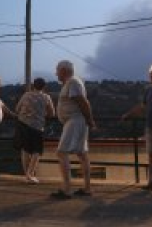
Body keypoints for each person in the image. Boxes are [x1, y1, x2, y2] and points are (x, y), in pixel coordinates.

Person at [51, 60, 96, 199]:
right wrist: (88, 121)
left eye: (57, 70)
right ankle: (87, 188)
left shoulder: (73, 82)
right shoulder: (71, 83)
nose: (56, 73)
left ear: (64, 70)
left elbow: (83, 102)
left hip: (75, 120)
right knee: (82, 154)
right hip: (75, 121)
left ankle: (67, 189)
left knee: (61, 152)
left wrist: (90, 120)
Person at [15, 77, 55, 184]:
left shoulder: (26, 95)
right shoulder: (46, 97)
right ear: (44, 86)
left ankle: (27, 176)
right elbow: (52, 113)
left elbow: (17, 109)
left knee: (25, 150)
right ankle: (30, 174)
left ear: (33, 85)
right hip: (38, 126)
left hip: (23, 124)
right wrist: (42, 113)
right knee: (36, 151)